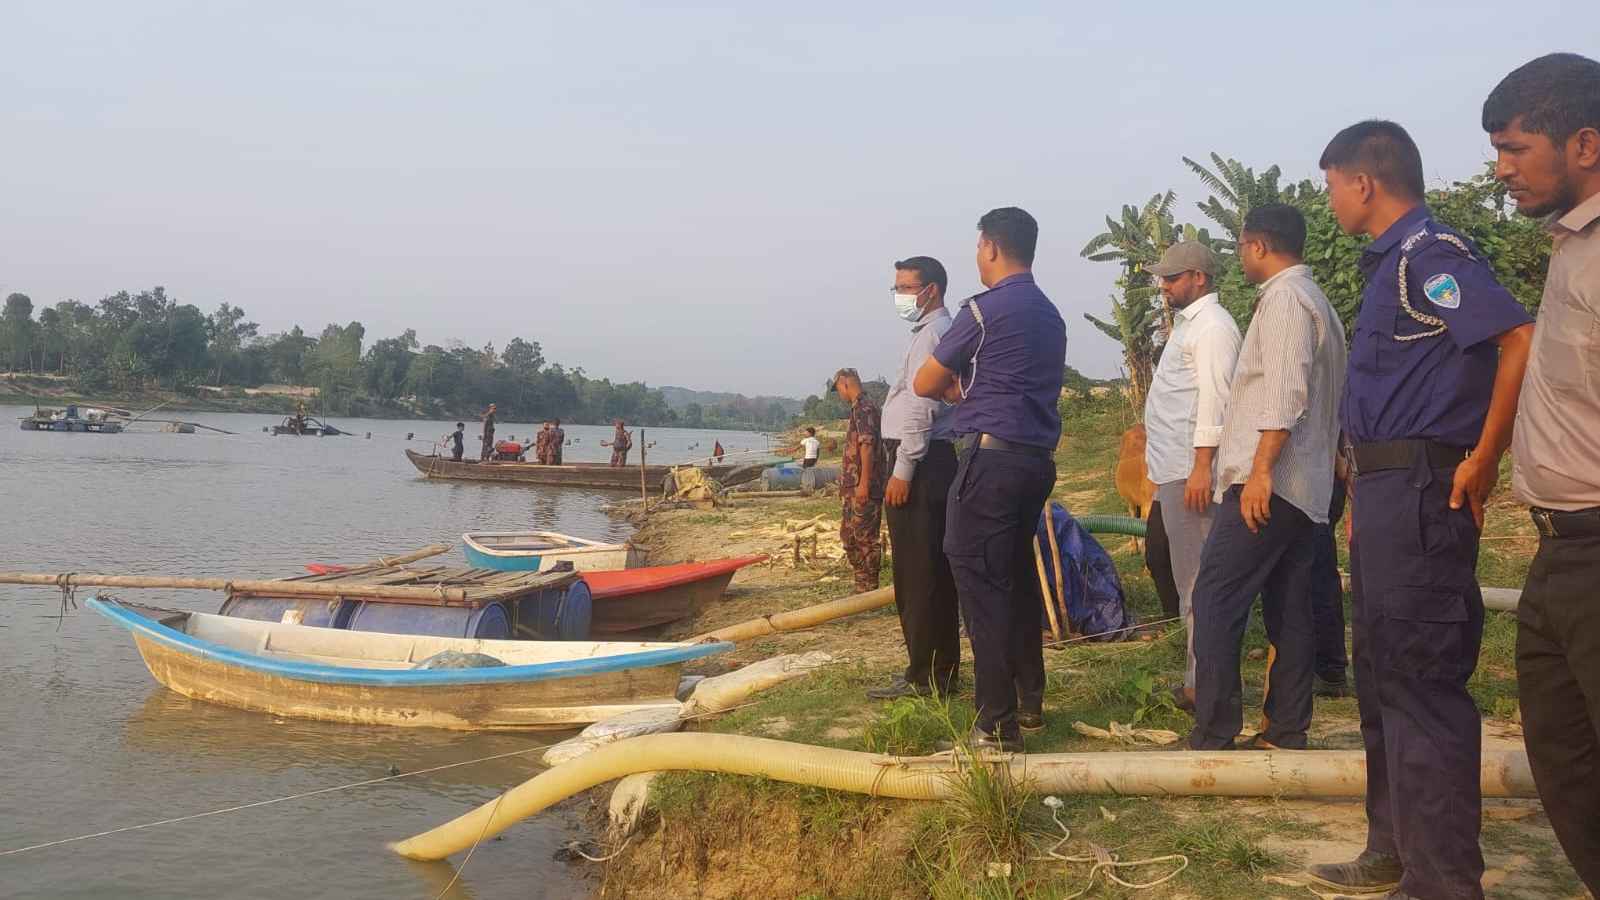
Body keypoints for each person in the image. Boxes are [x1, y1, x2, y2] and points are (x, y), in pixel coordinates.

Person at [1304, 121, 1534, 900]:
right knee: (1380, 675)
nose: (1330, 199)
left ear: (1364, 182)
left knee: (1422, 681)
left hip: (1424, 490)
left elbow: (1517, 338)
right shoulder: (1389, 268)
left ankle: (1443, 882)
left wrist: (1487, 452)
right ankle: (1393, 850)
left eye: (1332, 183)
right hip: (1383, 494)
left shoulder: (1430, 255)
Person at [1485, 53, 1600, 896]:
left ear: (1585, 144)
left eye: (1516, 148)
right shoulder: (1570, 247)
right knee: (1566, 761)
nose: (1500, 171)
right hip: (1557, 551)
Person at [1187, 203, 1346, 753]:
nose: (1240, 256)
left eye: (1240, 246)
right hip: (1307, 487)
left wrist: (1258, 472)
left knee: (1214, 599)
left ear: (1258, 246)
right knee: (1290, 607)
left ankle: (1212, 731)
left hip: (1271, 483)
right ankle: (1284, 729)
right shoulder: (1318, 300)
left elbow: (1283, 392)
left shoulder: (1283, 301)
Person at [913, 207, 1066, 752]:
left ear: (993, 248)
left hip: (991, 459)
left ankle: (994, 725)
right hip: (1035, 462)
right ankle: (1028, 699)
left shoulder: (982, 310)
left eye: (979, 247)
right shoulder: (1051, 314)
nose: (977, 256)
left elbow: (925, 380)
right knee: (1015, 574)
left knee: (979, 581)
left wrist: (959, 390)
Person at [1141, 240, 1243, 712]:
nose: (1164, 286)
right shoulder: (1190, 326)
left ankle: (1206, 687)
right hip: (1176, 470)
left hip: (1191, 472)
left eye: (1172, 278)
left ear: (1199, 277)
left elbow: (1216, 401)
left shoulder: (1214, 329)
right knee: (1190, 583)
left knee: (1199, 584)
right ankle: (1199, 679)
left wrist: (1202, 466)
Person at [868, 255, 962, 700]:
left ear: (932, 290)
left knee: (918, 573)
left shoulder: (933, 336)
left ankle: (925, 675)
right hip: (927, 460)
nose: (901, 296)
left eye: (907, 287)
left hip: (921, 463)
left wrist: (903, 468)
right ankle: (936, 671)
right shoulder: (931, 333)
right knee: (931, 573)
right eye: (898, 288)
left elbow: (921, 407)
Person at [829, 368, 887, 593]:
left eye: (838, 390)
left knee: (865, 537)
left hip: (864, 487)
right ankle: (861, 582)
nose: (840, 395)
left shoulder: (865, 408)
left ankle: (869, 586)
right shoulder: (857, 409)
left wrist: (864, 484)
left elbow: (867, 446)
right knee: (849, 536)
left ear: (844, 383)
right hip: (851, 487)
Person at [1309, 473, 1352, 696]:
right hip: (1319, 475)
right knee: (1317, 571)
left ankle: (1329, 667)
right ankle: (1326, 666)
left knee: (1317, 573)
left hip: (1315, 476)